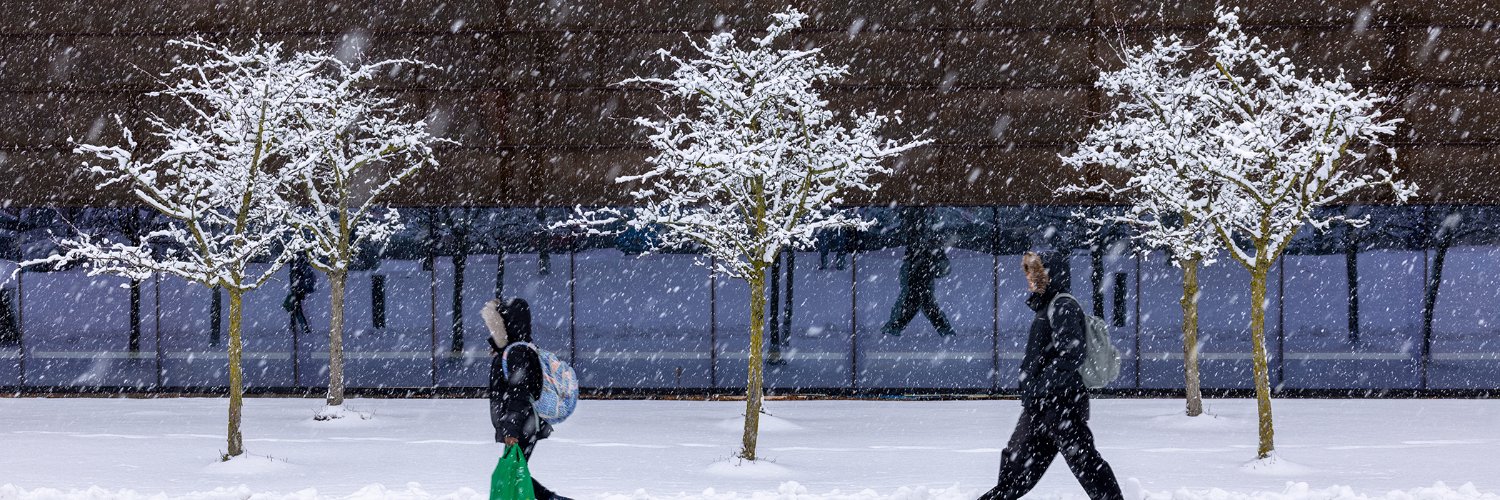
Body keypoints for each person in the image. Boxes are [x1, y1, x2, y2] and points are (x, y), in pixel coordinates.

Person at [981, 251, 1122, 500]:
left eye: (1034, 273)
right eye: (1028, 274)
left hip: (1060, 404)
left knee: (1085, 462)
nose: (1029, 280)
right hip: (1043, 405)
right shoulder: (1047, 306)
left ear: (1048, 275)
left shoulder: (1062, 305)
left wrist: (1040, 384)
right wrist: (1035, 390)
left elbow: (1072, 354)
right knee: (1016, 465)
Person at [483, 297, 569, 500]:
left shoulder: (517, 352)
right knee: (514, 472)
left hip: (522, 424)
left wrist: (511, 429)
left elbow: (519, 393)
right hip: (524, 423)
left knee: (513, 473)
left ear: (507, 325)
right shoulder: (518, 349)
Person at [882, 207, 957, 337]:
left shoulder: (919, 220)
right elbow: (927, 239)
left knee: (917, 298)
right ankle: (943, 329)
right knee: (920, 299)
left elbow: (922, 238)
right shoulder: (923, 220)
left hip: (919, 264)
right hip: (920, 264)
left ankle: (896, 326)